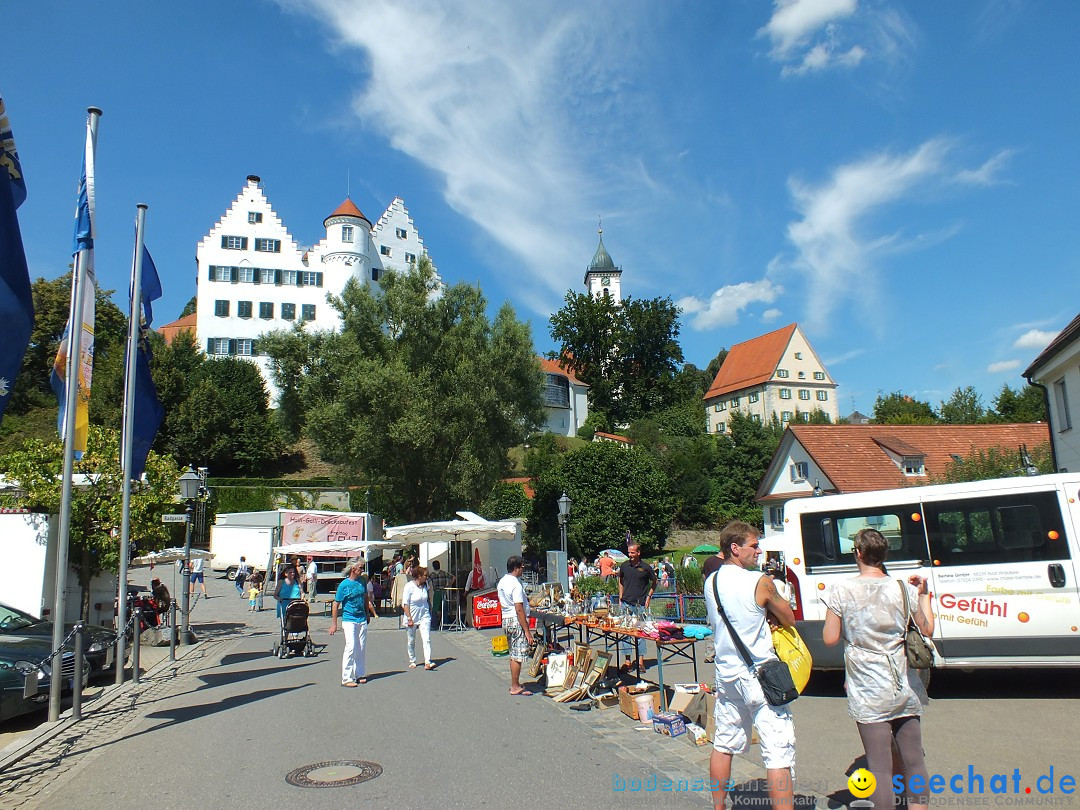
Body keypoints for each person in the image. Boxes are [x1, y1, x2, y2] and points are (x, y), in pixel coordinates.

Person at [823, 528, 934, 810]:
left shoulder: (842, 589)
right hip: (902, 682)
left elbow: (829, 638)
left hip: (867, 685)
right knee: (914, 760)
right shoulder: (902, 588)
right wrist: (923, 595)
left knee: (880, 767)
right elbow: (927, 628)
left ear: (858, 553)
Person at [705, 520, 797, 810]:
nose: (759, 551)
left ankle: (719, 807)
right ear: (735, 548)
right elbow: (789, 617)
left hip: (727, 672)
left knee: (723, 743)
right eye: (754, 545)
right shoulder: (759, 581)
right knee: (778, 752)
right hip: (759, 674)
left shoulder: (712, 582)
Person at [329, 558, 378, 687]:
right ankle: (346, 678)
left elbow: (366, 597)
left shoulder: (362, 581)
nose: (362, 570)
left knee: (361, 646)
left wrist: (367, 613)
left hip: (361, 618)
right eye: (361, 568)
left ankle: (359, 673)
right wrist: (334, 623)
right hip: (349, 619)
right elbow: (336, 604)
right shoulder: (344, 585)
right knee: (351, 646)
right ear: (353, 569)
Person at [497, 555, 535, 696]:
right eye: (522, 567)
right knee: (517, 655)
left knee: (513, 653)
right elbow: (518, 608)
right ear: (516, 568)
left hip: (506, 618)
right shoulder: (516, 584)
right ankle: (515, 686)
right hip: (515, 619)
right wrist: (527, 630)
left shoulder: (502, 582)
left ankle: (515, 683)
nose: (523, 569)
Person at [616, 543, 657, 672]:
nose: (630, 555)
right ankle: (627, 662)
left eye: (632, 553)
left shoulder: (645, 568)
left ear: (638, 553)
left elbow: (654, 581)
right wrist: (620, 596)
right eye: (629, 553)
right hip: (626, 603)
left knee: (640, 633)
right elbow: (620, 580)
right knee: (626, 633)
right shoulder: (624, 566)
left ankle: (640, 662)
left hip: (640, 604)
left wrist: (649, 596)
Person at [402, 565, 435, 670]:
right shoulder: (409, 586)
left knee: (426, 639)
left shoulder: (425, 586)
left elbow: (428, 599)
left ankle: (427, 661)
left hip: (424, 616)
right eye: (425, 575)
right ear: (419, 576)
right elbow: (405, 604)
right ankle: (412, 660)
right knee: (411, 640)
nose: (427, 577)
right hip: (412, 616)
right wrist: (409, 618)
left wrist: (430, 609)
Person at [428, 560, 455, 629]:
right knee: (444, 608)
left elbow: (426, 581)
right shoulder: (444, 573)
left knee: (435, 609)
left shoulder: (432, 575)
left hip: (436, 592)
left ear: (433, 567)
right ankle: (445, 623)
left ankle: (434, 624)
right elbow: (453, 577)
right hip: (443, 591)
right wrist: (449, 585)